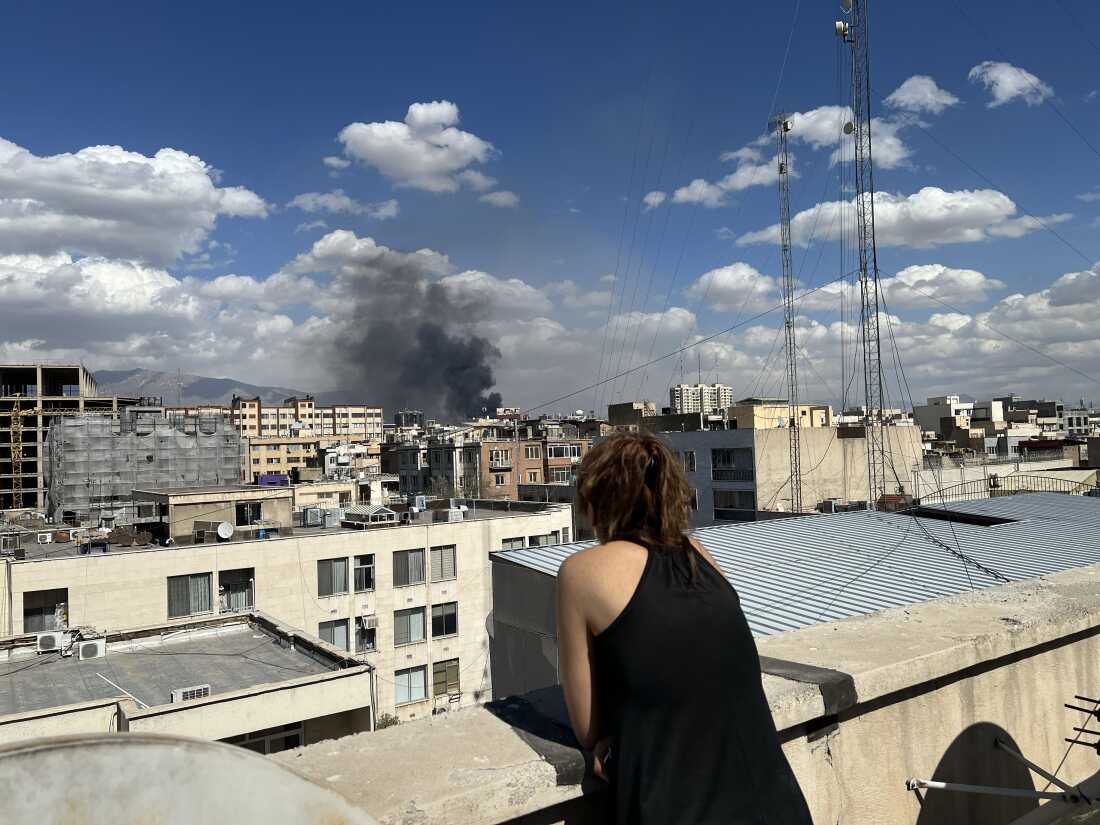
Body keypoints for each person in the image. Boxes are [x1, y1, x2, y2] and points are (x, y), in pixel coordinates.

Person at [556, 431, 813, 824]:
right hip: (776, 805)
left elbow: (587, 728)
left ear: (596, 502)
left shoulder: (582, 573)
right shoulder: (700, 556)